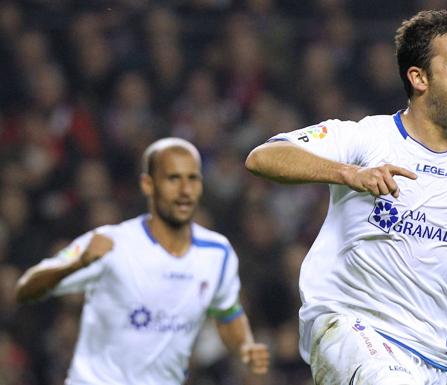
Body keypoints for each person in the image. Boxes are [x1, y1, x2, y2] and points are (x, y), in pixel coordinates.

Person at [245, 9, 447, 385]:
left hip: (430, 356)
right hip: (348, 324)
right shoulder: (367, 138)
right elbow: (263, 157)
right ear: (419, 77)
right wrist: (348, 174)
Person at [15, 138, 269, 384]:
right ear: (148, 185)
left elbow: (227, 315)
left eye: (192, 179)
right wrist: (75, 264)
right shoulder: (110, 242)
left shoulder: (218, 252)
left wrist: (245, 347)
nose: (184, 190)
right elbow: (27, 288)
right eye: (173, 179)